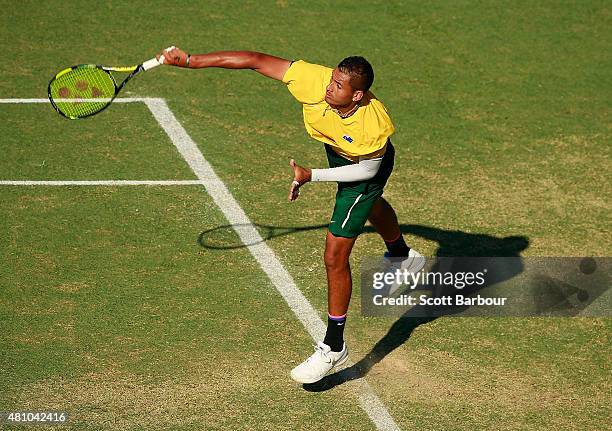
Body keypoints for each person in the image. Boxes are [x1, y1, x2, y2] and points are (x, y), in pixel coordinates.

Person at [157, 47, 424, 384]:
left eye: (339, 86)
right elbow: (255, 61)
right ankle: (402, 255)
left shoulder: (373, 124)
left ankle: (334, 345)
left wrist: (311, 175)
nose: (329, 88)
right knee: (369, 208)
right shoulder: (316, 81)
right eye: (332, 80)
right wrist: (192, 61)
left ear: (357, 95)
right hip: (342, 153)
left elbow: (366, 170)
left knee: (334, 255)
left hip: (363, 170)